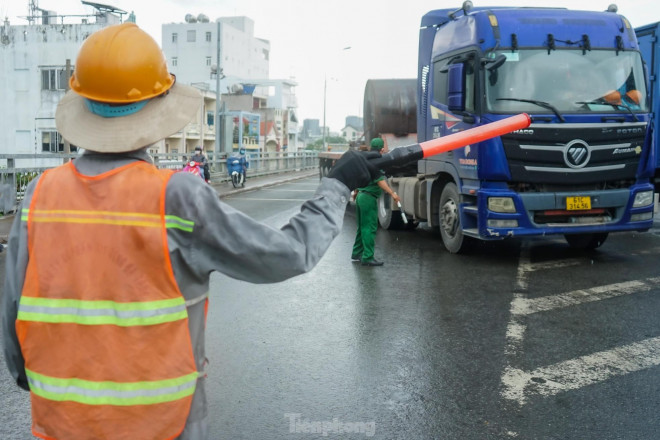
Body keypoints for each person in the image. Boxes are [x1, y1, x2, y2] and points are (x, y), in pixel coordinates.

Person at [1, 23, 378, 440]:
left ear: (84, 104)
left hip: (60, 425)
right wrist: (335, 187)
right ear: (157, 106)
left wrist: (38, 382)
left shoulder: (39, 195)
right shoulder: (176, 197)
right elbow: (289, 253)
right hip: (162, 425)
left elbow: (15, 317)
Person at [351, 138, 401, 267]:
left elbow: (359, 177)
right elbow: (380, 181)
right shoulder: (378, 161)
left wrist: (356, 191)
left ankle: (357, 253)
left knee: (362, 227)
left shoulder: (365, 160)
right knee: (369, 228)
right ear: (382, 149)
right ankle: (367, 257)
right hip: (368, 197)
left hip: (361, 196)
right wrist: (392, 193)